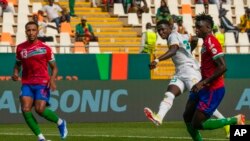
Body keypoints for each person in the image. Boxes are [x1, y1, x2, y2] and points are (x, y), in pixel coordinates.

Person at [143, 18, 231, 138]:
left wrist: (157, 60)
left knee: (202, 103)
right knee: (170, 94)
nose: (161, 32)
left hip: (190, 71)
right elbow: (194, 39)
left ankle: (227, 124)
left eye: (163, 29)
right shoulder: (179, 35)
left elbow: (173, 50)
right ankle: (159, 117)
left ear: (169, 28)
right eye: (159, 31)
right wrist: (189, 51)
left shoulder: (172, 36)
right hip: (180, 72)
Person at [183, 13, 245, 141]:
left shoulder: (211, 41)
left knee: (197, 124)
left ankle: (234, 120)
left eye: (199, 27)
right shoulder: (205, 42)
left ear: (208, 28)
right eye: (196, 27)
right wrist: (201, 83)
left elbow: (223, 67)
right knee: (187, 117)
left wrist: (202, 83)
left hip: (213, 89)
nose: (197, 29)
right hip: (204, 86)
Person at [12, 21, 68, 141]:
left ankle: (60, 122)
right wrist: (16, 73)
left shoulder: (45, 48)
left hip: (42, 82)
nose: (31, 32)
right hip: (27, 83)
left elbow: (55, 68)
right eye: (29, 30)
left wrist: (52, 80)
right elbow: (17, 65)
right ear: (25, 32)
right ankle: (41, 138)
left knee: (39, 109)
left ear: (37, 31)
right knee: (25, 109)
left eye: (33, 30)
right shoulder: (20, 48)